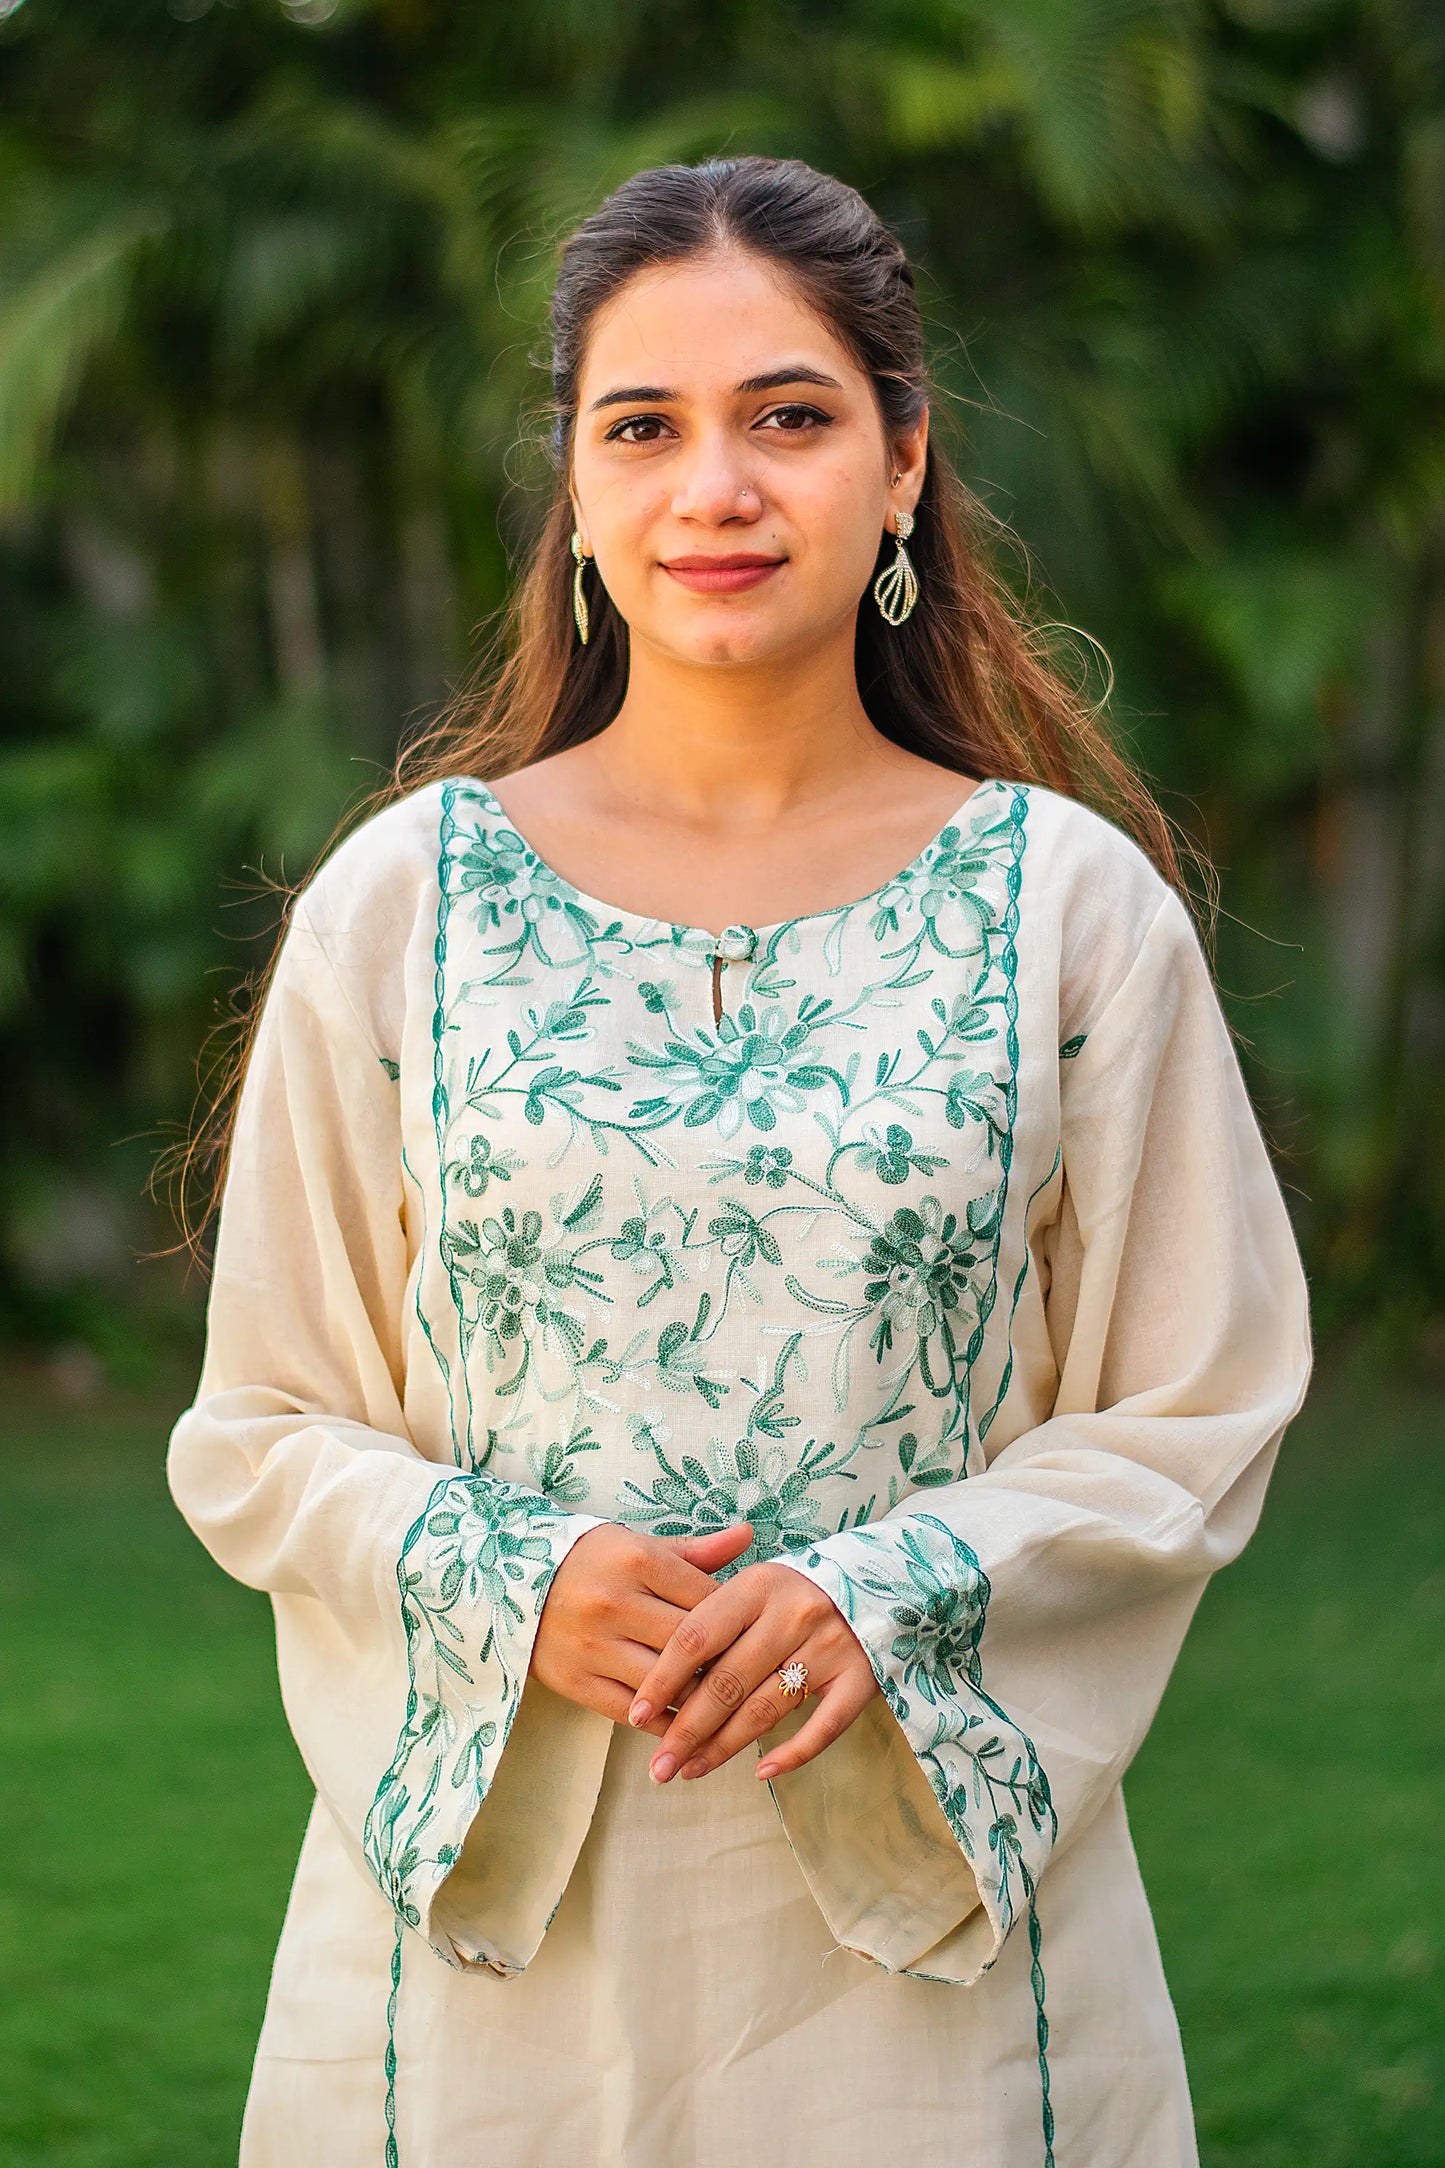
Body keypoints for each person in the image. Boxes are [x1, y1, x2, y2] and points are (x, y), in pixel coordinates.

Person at [167, 154, 1314, 2168]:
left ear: (901, 466)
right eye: (646, 428)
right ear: (578, 492)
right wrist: (510, 1578)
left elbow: (1198, 1405)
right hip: (493, 1949)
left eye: (789, 416)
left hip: (929, 1948)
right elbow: (264, 1423)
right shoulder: (401, 907)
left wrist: (885, 1589)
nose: (717, 486)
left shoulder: (1067, 913)